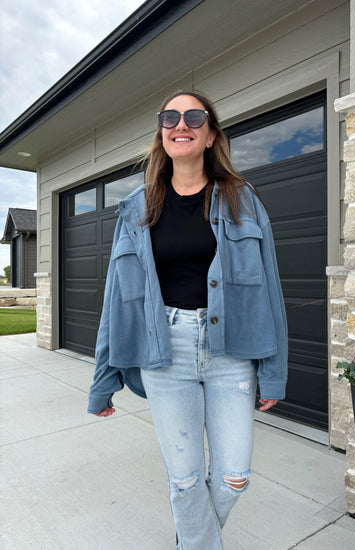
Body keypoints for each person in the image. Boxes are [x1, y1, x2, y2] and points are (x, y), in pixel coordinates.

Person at [88, 90, 288, 550]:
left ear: (210, 133)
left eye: (193, 116)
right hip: (165, 348)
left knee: (235, 476)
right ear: (162, 133)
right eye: (170, 117)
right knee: (185, 480)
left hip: (232, 351)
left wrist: (274, 374)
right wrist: (103, 381)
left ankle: (190, 542)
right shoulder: (135, 208)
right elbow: (116, 299)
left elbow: (270, 291)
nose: (181, 124)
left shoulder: (242, 200)